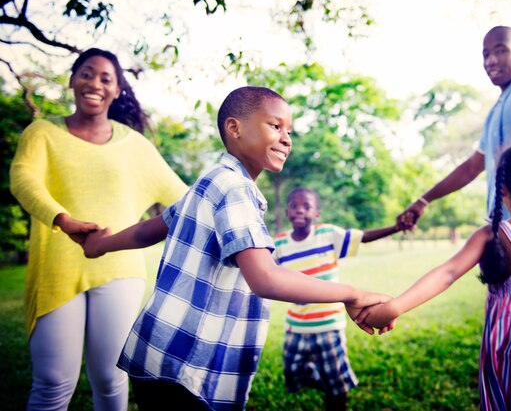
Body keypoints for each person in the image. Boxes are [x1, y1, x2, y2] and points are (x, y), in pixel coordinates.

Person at [80, 86, 395, 411]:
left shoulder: (209, 182)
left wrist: (100, 245)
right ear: (235, 128)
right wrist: (351, 293)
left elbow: (151, 228)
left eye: (290, 131)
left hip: (158, 350)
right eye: (276, 126)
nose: (287, 139)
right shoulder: (234, 188)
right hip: (186, 364)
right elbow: (265, 277)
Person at [358, 141, 511, 410]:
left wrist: (395, 306)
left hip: (510, 352)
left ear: (502, 188)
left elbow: (447, 273)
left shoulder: (490, 235)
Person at [9, 48, 189, 410]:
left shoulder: (134, 145)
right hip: (57, 271)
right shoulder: (42, 133)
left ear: (118, 89)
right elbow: (23, 179)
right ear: (73, 79)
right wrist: (63, 219)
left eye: (106, 78)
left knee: (110, 379)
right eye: (86, 74)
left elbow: (184, 202)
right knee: (53, 383)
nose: (94, 84)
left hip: (119, 272)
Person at [399, 25, 511, 229]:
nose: (491, 60)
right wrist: (423, 201)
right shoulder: (497, 109)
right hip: (510, 232)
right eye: (486, 54)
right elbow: (471, 167)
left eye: (501, 51)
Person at [273, 186, 400, 411]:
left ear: (317, 214)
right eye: (294, 206)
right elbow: (262, 271)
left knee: (336, 386)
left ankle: (335, 394)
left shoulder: (327, 234)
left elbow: (364, 237)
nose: (299, 210)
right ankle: (331, 386)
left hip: (328, 325)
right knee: (293, 375)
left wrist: (396, 227)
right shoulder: (280, 244)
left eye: (307, 206)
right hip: (296, 326)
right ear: (287, 212)